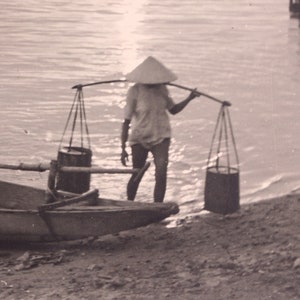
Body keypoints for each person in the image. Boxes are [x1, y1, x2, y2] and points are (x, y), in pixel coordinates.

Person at [120, 56, 199, 202]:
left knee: (161, 172)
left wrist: (190, 98)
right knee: (137, 173)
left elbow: (173, 110)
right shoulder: (134, 91)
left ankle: (157, 206)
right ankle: (129, 203)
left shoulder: (163, 89)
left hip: (161, 137)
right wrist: (123, 148)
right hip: (139, 137)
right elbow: (126, 121)